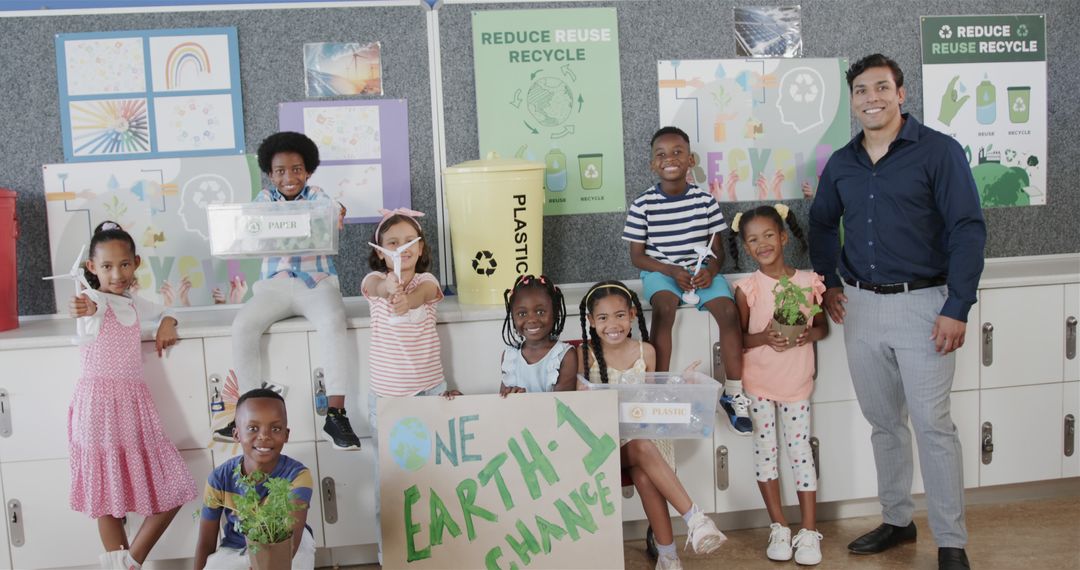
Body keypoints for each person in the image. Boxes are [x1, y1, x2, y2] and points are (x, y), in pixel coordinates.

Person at [809, 54, 986, 570]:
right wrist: (829, 284)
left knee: (933, 425)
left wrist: (958, 305)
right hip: (860, 308)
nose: (872, 98)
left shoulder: (938, 152)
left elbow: (967, 230)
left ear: (901, 93)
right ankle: (897, 519)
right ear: (853, 100)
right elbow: (821, 224)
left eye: (882, 88)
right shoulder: (842, 162)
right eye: (861, 90)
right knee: (883, 422)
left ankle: (951, 541)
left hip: (926, 306)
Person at [67, 221, 198, 570]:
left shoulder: (134, 302)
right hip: (98, 409)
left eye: (124, 264)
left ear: (136, 263)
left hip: (132, 408)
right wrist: (84, 307)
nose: (117, 273)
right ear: (92, 268)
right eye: (107, 266)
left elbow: (165, 311)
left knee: (175, 486)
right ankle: (127, 564)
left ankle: (129, 562)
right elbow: (86, 309)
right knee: (109, 499)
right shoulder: (93, 302)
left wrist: (169, 320)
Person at [225, 131, 360, 450]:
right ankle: (246, 412)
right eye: (281, 171)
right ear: (270, 175)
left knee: (332, 322)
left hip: (316, 283)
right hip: (274, 286)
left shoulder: (317, 195)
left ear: (309, 170)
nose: (289, 177)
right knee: (242, 326)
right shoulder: (264, 201)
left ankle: (336, 413)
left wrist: (337, 211)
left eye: (297, 169)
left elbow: (331, 209)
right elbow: (250, 228)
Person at [578, 280, 727, 570]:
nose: (613, 324)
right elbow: (576, 409)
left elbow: (652, 397)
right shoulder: (585, 355)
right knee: (641, 445)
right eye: (603, 317)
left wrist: (680, 383)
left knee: (645, 474)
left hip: (639, 440)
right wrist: (582, 389)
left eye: (620, 315)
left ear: (632, 315)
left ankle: (668, 558)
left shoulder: (646, 352)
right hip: (602, 447)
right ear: (591, 321)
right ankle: (695, 519)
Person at [623, 126, 751, 436]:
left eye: (678, 152)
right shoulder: (643, 205)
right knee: (665, 309)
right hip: (660, 271)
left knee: (728, 311)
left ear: (690, 159)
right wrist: (670, 271)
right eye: (661, 154)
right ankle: (659, 391)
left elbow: (717, 252)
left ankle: (734, 393)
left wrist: (709, 269)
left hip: (700, 270)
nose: (670, 159)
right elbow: (637, 257)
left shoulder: (705, 201)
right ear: (653, 163)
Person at [730, 205, 828, 565]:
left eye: (769, 235)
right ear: (746, 247)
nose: (763, 244)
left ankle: (808, 531)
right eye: (753, 240)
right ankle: (779, 526)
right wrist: (764, 337)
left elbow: (823, 329)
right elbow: (740, 338)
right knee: (766, 455)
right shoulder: (748, 289)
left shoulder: (808, 282)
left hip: (797, 385)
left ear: (784, 237)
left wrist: (806, 333)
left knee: (801, 454)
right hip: (759, 384)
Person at [361, 207, 460, 556]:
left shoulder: (427, 282)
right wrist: (391, 291)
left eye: (407, 242)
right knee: (388, 485)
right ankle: (389, 557)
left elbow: (423, 296)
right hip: (388, 403)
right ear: (380, 251)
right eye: (392, 243)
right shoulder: (373, 283)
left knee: (435, 480)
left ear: (419, 247)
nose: (401, 249)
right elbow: (377, 286)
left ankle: (436, 555)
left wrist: (407, 300)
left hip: (430, 394)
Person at [195, 388, 316, 569]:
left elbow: (292, 537)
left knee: (301, 551)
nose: (264, 436)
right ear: (236, 434)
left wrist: (265, 565)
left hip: (285, 547)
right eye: (253, 428)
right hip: (236, 549)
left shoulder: (298, 476)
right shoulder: (219, 478)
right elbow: (206, 542)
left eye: (275, 428)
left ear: (286, 434)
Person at [499, 274, 577, 395]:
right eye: (522, 314)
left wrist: (528, 402)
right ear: (513, 317)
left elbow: (561, 404)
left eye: (540, 312)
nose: (532, 320)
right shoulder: (510, 356)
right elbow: (503, 401)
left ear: (555, 313)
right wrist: (511, 395)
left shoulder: (565, 356)